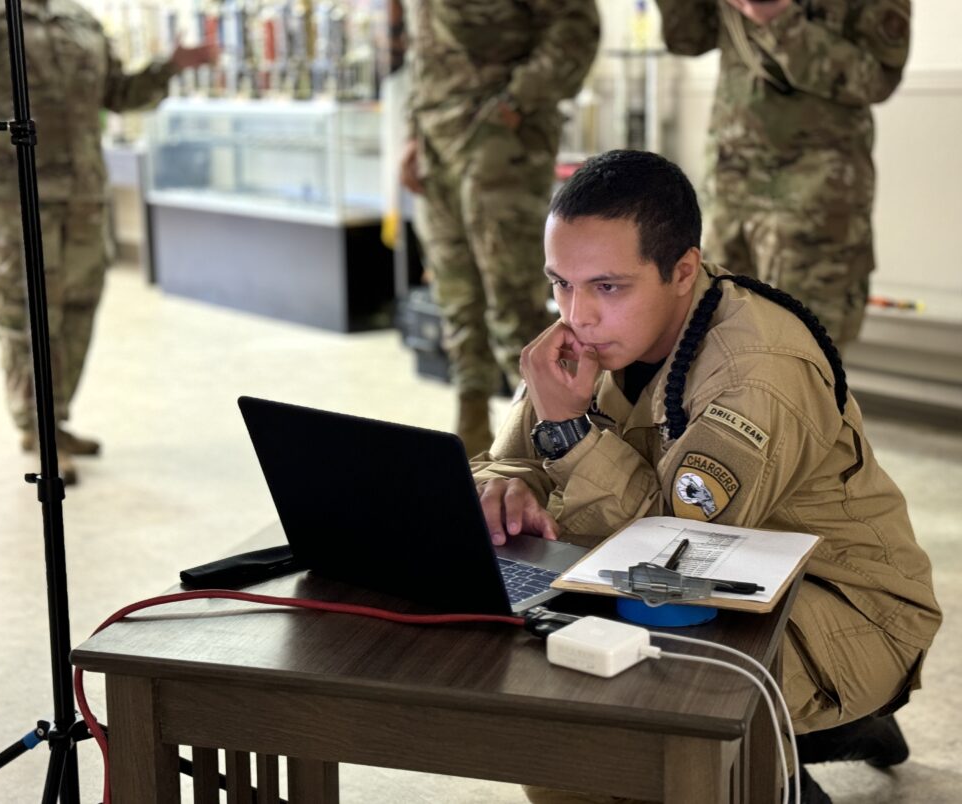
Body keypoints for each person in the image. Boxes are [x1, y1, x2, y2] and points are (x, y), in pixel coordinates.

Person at [471, 150, 940, 803]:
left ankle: (778, 754)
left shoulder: (756, 370)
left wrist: (572, 434)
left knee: (619, 730)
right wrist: (503, 485)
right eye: (560, 283)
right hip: (731, 588)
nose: (576, 315)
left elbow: (675, 564)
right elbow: (508, 455)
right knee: (554, 716)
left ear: (683, 270)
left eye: (607, 286)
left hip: (840, 605)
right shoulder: (604, 328)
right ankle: (791, 739)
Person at [0, 0, 215, 485]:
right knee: (25, 313)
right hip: (13, 198)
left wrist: (172, 66)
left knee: (78, 309)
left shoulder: (79, 19)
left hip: (83, 196)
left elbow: (119, 93)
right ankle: (39, 432)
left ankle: (54, 420)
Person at [399, 0, 600, 457]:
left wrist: (516, 103)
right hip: (438, 143)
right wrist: (414, 131)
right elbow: (425, 48)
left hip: (501, 143)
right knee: (456, 294)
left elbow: (576, 27)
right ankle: (471, 429)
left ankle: (544, 443)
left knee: (514, 298)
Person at [655, 0, 911, 349]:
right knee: (712, 346)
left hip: (813, 198)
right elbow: (688, 37)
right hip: (730, 192)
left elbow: (876, 78)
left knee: (804, 355)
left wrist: (777, 18)